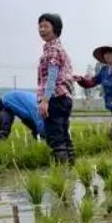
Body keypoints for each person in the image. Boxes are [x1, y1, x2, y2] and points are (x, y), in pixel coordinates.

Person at [74, 45, 112, 148]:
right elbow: (92, 82)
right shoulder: (103, 71)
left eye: (110, 53)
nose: (107, 56)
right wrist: (81, 80)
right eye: (105, 54)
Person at [36, 13, 75, 163]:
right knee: (64, 136)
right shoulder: (60, 49)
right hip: (64, 98)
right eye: (40, 26)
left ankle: (62, 175)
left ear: (55, 28)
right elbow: (66, 75)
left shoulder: (52, 50)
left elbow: (51, 77)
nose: (42, 29)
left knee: (56, 138)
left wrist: (45, 101)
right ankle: (72, 170)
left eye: (46, 26)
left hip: (55, 99)